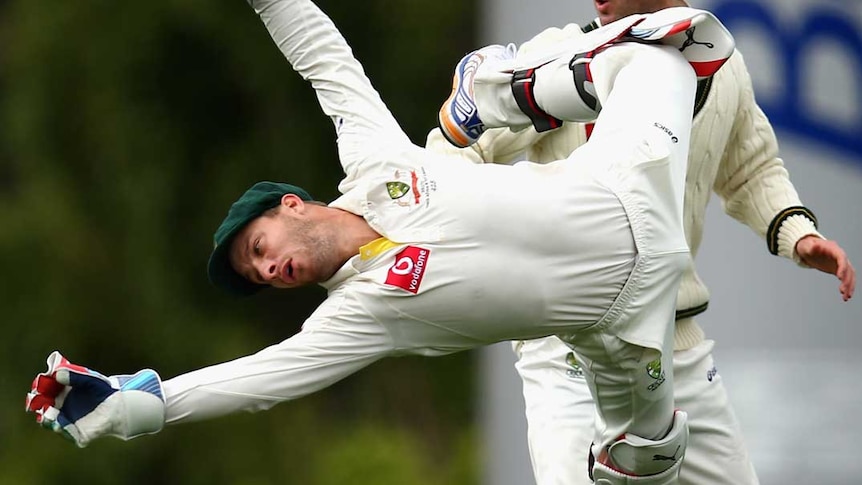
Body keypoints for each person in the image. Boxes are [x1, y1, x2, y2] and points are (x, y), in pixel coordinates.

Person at [24, 1, 741, 482]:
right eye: (260, 274)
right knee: (648, 455)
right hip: (622, 334)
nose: (269, 268)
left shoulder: (375, 160)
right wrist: (135, 403)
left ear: (289, 204)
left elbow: (320, 54)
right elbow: (256, 382)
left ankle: (489, 93)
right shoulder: (356, 316)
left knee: (676, 47)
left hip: (626, 183)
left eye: (258, 246)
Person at [426, 1, 857, 484]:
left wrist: (799, 235)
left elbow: (751, 168)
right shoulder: (557, 54)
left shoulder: (724, 64)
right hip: (564, 343)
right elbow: (463, 144)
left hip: (676, 345)